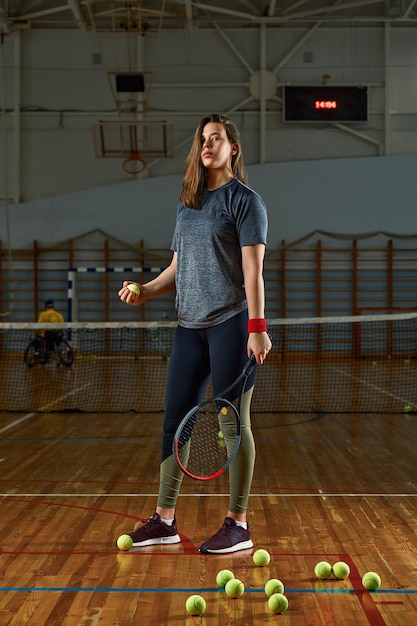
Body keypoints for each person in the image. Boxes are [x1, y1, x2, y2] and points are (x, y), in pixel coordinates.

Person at [118, 113, 272, 554]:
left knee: (231, 424)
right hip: (189, 327)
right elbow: (177, 267)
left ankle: (238, 524)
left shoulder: (245, 202)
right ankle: (165, 520)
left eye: (217, 138)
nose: (207, 145)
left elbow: (252, 269)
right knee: (174, 423)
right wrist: (146, 291)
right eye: (203, 139)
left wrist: (257, 329)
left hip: (232, 324)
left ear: (233, 148)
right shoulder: (189, 203)